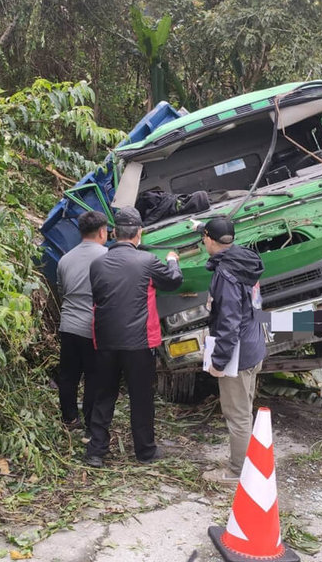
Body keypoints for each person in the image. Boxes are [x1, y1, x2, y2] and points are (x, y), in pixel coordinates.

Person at [84, 207, 183, 468]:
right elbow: (173, 281)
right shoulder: (148, 262)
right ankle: (145, 452)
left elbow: (98, 298)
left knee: (104, 394)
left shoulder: (97, 264)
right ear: (139, 233)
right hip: (139, 343)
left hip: (105, 341)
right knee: (141, 398)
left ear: (115, 233)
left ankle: (96, 451)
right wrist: (173, 260)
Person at [200, 218, 266, 486]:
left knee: (237, 415)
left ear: (208, 238)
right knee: (244, 410)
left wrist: (218, 361)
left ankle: (238, 473)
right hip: (254, 345)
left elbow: (229, 323)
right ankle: (246, 460)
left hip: (237, 355)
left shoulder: (226, 274)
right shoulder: (245, 261)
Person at [56, 210, 109, 442]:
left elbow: (61, 290)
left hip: (68, 326)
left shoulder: (65, 259)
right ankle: (90, 424)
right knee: (94, 377)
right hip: (93, 328)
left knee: (68, 375)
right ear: (102, 231)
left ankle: (69, 419)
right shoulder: (107, 256)